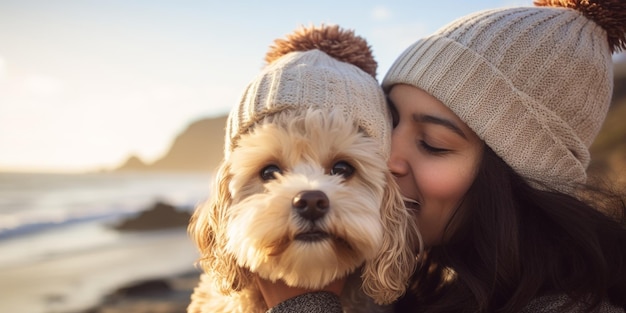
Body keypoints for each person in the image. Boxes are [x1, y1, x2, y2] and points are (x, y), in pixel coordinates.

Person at [259, 0, 626, 312]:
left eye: (433, 143)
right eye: (388, 124)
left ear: (518, 180)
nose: (386, 159)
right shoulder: (424, 286)